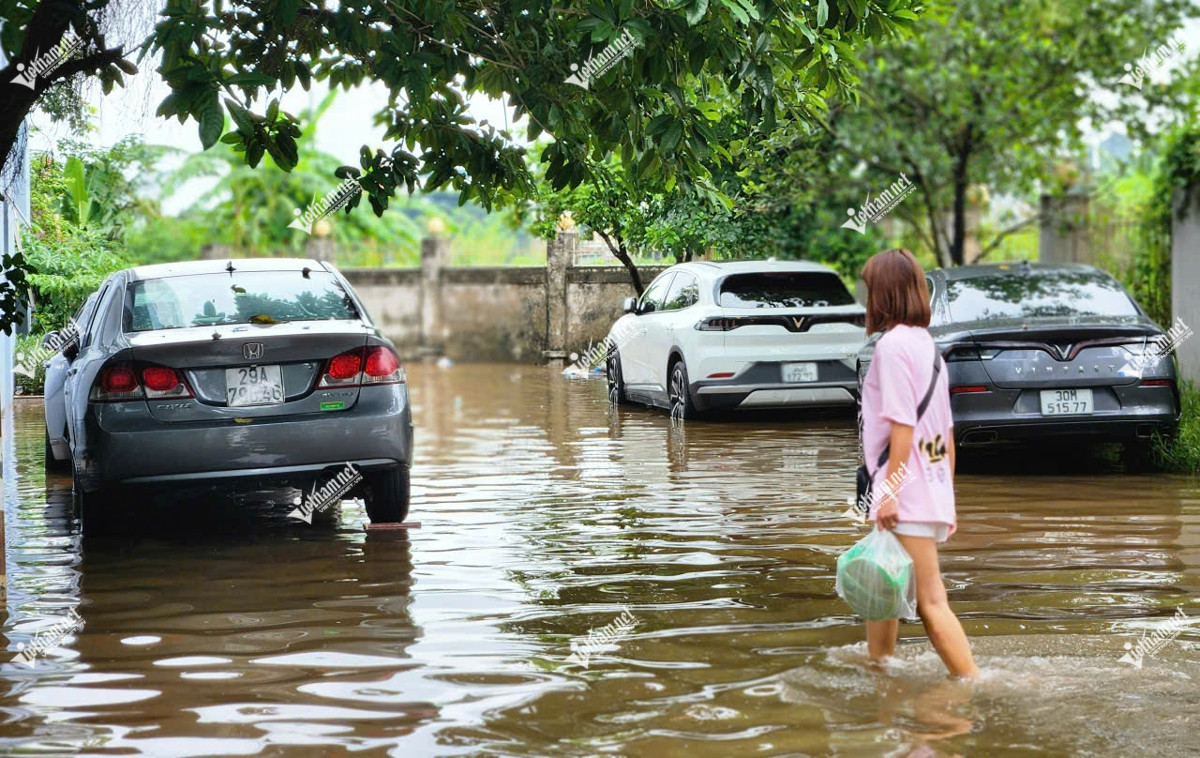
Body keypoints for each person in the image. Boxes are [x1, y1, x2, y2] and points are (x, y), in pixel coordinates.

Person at [859, 249, 978, 679]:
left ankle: (973, 684)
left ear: (884, 294)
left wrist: (888, 496)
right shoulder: (928, 347)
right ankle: (880, 673)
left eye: (870, 289)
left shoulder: (891, 348)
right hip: (926, 488)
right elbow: (945, 434)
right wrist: (946, 498)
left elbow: (903, 428)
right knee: (882, 589)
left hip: (903, 493)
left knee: (930, 602)